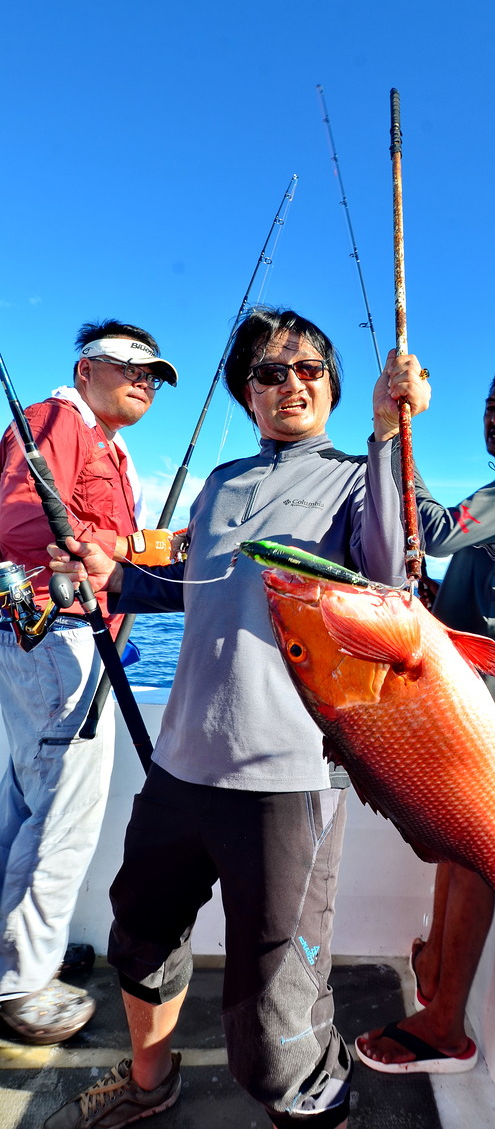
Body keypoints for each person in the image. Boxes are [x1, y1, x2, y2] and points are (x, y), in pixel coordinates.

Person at [43, 306, 431, 1129]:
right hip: (180, 768)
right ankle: (150, 1086)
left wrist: (390, 433)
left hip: (287, 780)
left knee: (275, 1014)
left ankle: (319, 1110)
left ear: (330, 386)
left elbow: (392, 571)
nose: (289, 382)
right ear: (246, 395)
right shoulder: (222, 484)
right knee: (141, 941)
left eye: (307, 369)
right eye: (268, 371)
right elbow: (190, 586)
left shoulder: (362, 478)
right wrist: (110, 575)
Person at [356, 363, 495, 1075]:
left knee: (473, 860)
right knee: (453, 849)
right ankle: (438, 970)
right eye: (491, 406)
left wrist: (397, 437)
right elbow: (470, 575)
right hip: (475, 695)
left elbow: (437, 530)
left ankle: (445, 1026)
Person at [0, 322, 177, 1045]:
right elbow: (16, 522)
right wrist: (122, 546)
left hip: (65, 643)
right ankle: (21, 984)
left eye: (156, 373)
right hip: (57, 641)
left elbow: (106, 546)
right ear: (85, 369)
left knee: (29, 804)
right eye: (130, 364)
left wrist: (162, 550)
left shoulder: (107, 444)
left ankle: (17, 954)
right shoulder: (58, 420)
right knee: (63, 813)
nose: (146, 380)